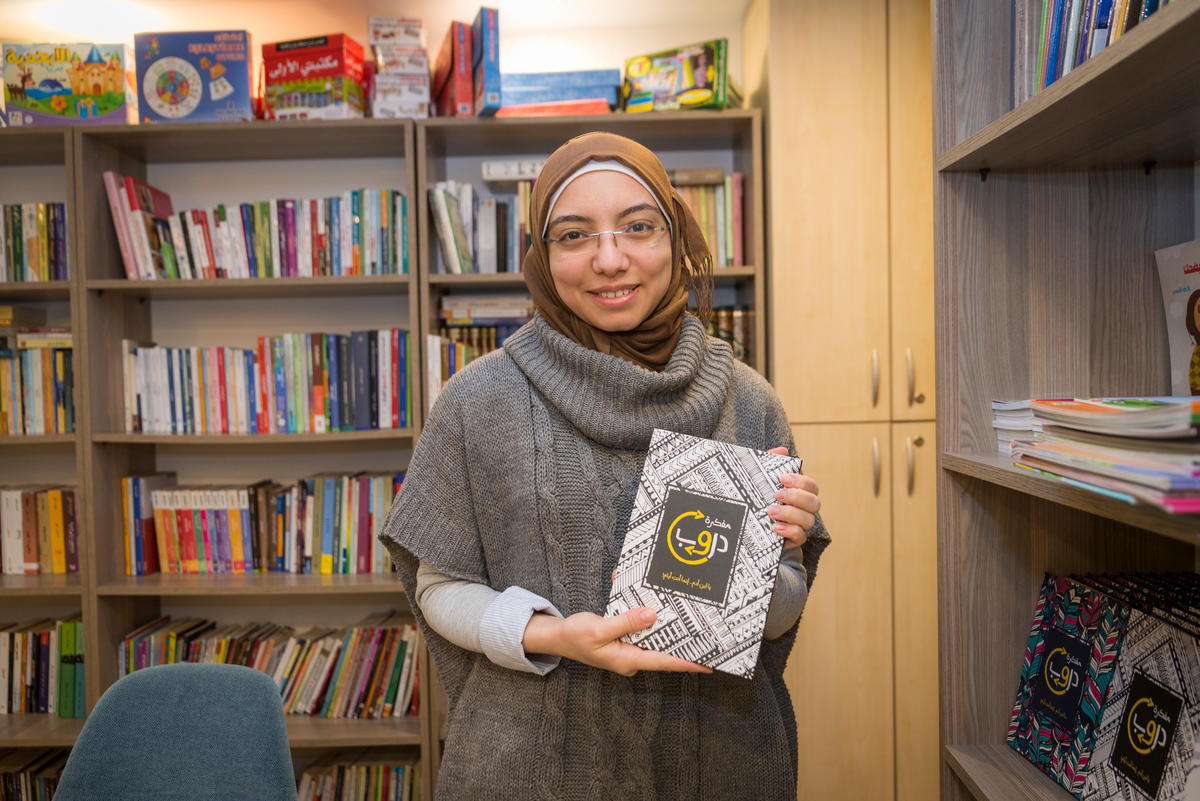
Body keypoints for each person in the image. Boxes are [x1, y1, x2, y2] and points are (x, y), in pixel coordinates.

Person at [379, 131, 830, 801]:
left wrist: (771, 560)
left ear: (676, 237)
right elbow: (438, 586)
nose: (610, 259)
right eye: (573, 235)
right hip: (529, 770)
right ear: (540, 253)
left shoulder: (750, 399)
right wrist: (555, 633)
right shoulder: (477, 401)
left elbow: (785, 608)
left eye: (638, 227)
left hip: (719, 760)